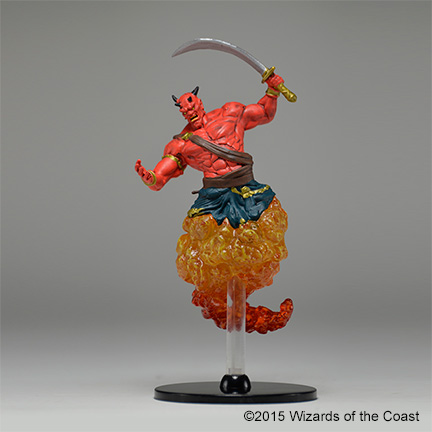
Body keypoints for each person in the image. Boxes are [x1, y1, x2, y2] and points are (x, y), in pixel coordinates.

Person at [135, 74, 293, 334]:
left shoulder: (231, 113)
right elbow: (161, 176)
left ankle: (242, 304)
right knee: (211, 256)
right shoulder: (181, 143)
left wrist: (273, 91)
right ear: (180, 112)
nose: (188, 110)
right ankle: (224, 304)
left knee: (254, 251)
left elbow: (264, 112)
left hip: (247, 191)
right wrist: (150, 176)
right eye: (182, 108)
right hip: (213, 198)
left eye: (190, 103)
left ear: (198, 100)